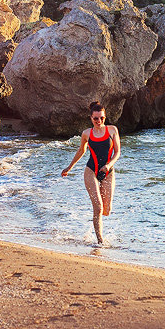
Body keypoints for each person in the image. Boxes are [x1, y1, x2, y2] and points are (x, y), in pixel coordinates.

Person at [61, 101, 120, 245]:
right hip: (91, 171)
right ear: (91, 118)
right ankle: (100, 242)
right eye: (96, 118)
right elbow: (82, 151)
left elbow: (117, 153)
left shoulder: (112, 130)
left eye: (102, 118)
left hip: (108, 171)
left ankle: (96, 234)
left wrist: (108, 165)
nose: (99, 121)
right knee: (98, 207)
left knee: (106, 210)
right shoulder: (87, 134)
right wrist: (69, 167)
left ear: (105, 117)